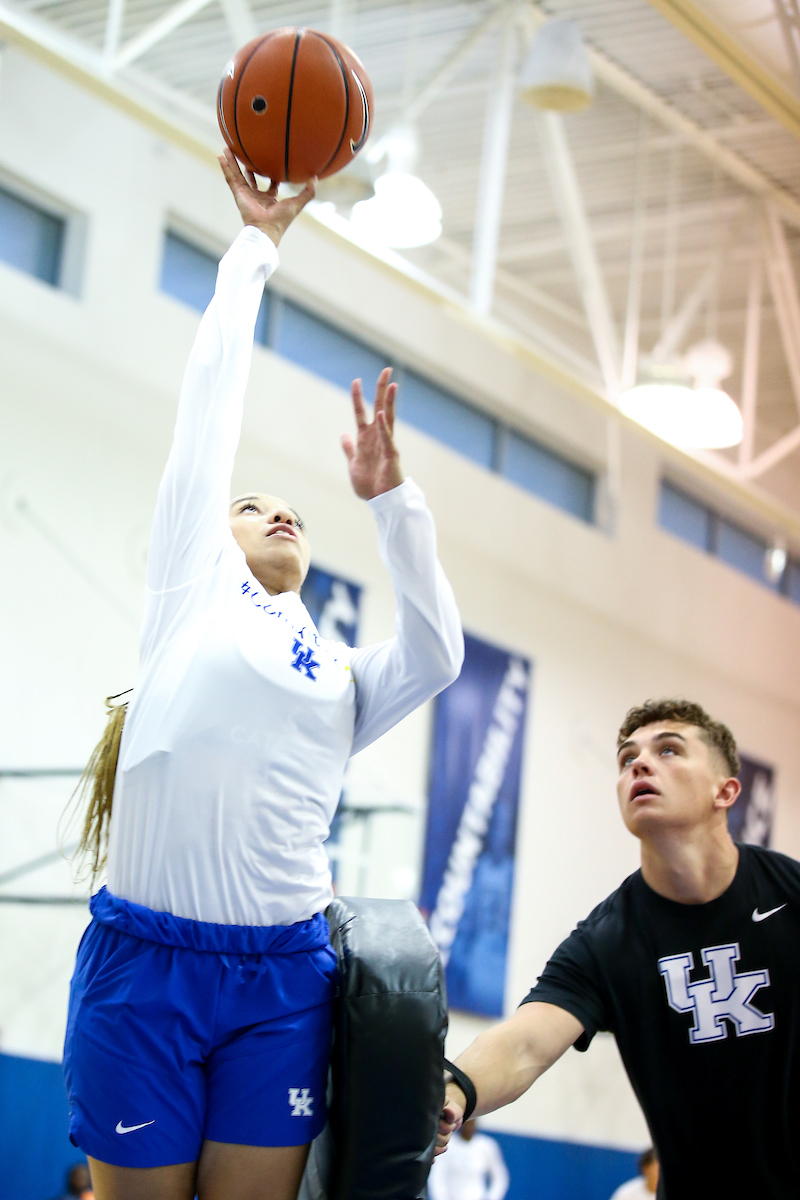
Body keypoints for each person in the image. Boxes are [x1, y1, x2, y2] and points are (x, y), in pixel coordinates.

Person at [63, 147, 463, 1200]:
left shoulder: (338, 671)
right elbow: (209, 410)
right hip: (145, 966)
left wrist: (394, 503)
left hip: (282, 979)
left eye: (292, 510)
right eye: (252, 505)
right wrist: (255, 247)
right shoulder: (187, 587)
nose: (278, 512)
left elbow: (438, 653)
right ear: (213, 529)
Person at [437, 699, 800, 1197]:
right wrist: (455, 1089)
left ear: (726, 791)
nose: (640, 764)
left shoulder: (790, 894)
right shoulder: (607, 942)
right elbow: (525, 1043)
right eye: (628, 758)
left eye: (669, 750)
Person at [427, 1119, 508, 1200]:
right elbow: (437, 1176)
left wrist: (491, 1197)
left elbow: (500, 1177)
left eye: (472, 1122)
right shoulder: (448, 1144)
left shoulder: (486, 1146)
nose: (469, 1126)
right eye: (467, 1122)